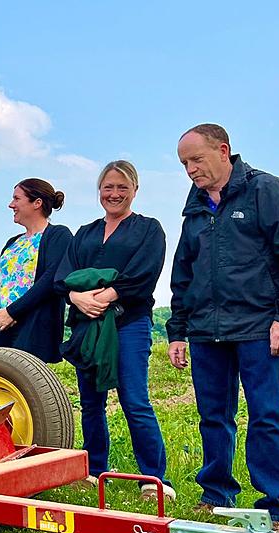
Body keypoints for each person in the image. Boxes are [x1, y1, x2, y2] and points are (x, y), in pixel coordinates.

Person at [167, 124, 279, 533]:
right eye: (184, 163)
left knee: (267, 415)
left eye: (196, 159)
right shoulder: (196, 206)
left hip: (259, 327)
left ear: (224, 150)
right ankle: (216, 493)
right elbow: (184, 272)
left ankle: (278, 508)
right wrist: (178, 330)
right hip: (205, 330)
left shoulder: (267, 192)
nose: (190, 170)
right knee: (213, 415)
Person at [54, 161, 173, 501]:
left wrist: (106, 296)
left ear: (135, 190)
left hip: (128, 323)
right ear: (99, 191)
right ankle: (93, 471)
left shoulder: (148, 230)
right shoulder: (85, 233)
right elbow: (63, 277)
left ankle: (153, 479)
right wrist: (77, 298)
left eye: (122, 187)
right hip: (86, 325)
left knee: (134, 400)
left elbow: (143, 274)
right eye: (108, 187)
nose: (114, 194)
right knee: (91, 402)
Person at [0, 178, 71, 362]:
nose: (11, 205)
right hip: (3, 327)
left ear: (37, 203)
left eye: (17, 199)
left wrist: (13, 312)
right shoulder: (13, 242)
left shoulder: (58, 235)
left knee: (27, 385)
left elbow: (50, 279)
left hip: (34, 328)